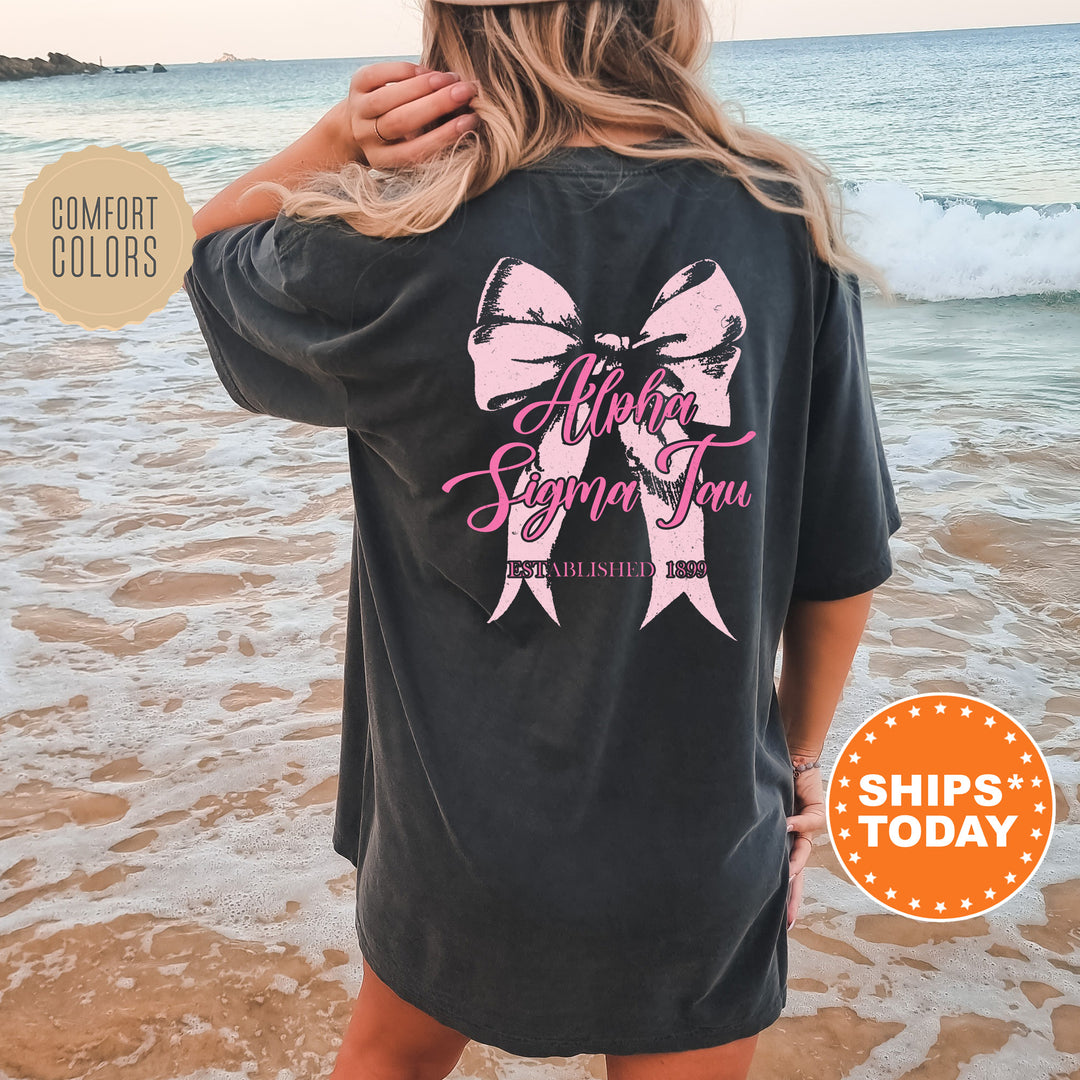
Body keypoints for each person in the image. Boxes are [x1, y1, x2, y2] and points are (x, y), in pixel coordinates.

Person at [182, 0, 903, 1077]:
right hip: (699, 831)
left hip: (453, 834)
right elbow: (842, 559)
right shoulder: (781, 219)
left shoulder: (393, 235)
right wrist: (800, 764)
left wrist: (338, 142)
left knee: (387, 1058)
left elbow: (202, 253)